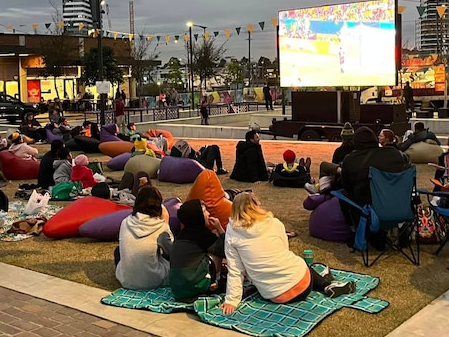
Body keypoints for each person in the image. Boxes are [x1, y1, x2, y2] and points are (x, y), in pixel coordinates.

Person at [220, 192, 355, 315]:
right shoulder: (273, 222)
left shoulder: (232, 232)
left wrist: (232, 300)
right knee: (299, 264)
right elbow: (284, 250)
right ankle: (325, 284)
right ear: (256, 206)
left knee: (293, 265)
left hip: (275, 296)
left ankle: (324, 282)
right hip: (303, 284)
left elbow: (235, 270)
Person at [340, 127, 411, 233]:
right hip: (399, 203)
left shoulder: (350, 159)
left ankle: (354, 229)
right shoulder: (394, 154)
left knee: (342, 194)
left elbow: (346, 185)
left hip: (369, 206)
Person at [157, 199, 226, 303]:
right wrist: (220, 229)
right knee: (216, 245)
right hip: (193, 286)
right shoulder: (201, 234)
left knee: (210, 245)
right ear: (198, 217)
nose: (208, 213)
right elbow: (225, 251)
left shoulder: (181, 235)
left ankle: (209, 280)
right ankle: (214, 283)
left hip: (177, 289)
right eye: (205, 211)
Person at [114, 185, 173, 290]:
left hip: (126, 281)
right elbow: (173, 251)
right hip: (154, 280)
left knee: (118, 251)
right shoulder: (161, 227)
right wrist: (166, 222)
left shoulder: (125, 222)